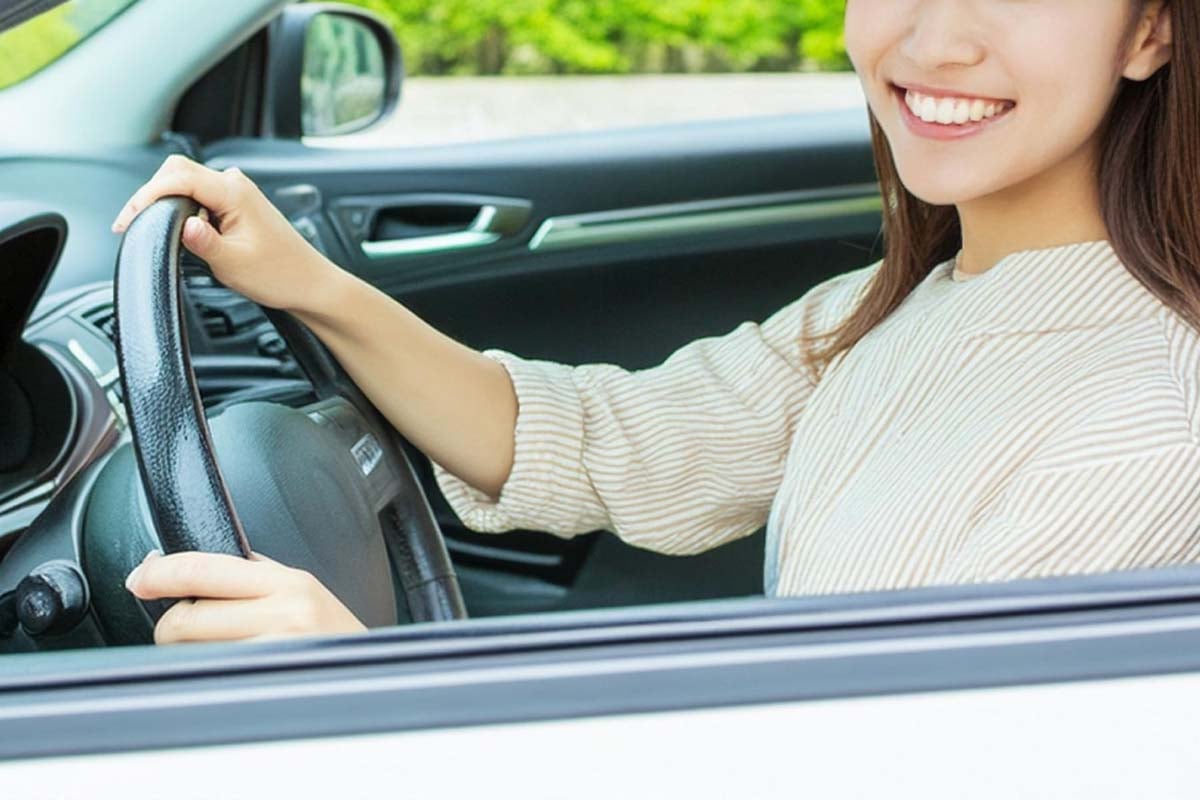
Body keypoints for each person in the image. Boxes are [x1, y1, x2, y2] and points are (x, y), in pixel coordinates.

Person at [114, 0, 1192, 643]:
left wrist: (361, 688)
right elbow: (607, 441)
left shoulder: (1149, 425)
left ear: (1149, 29)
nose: (934, 39)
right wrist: (309, 283)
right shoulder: (898, 306)